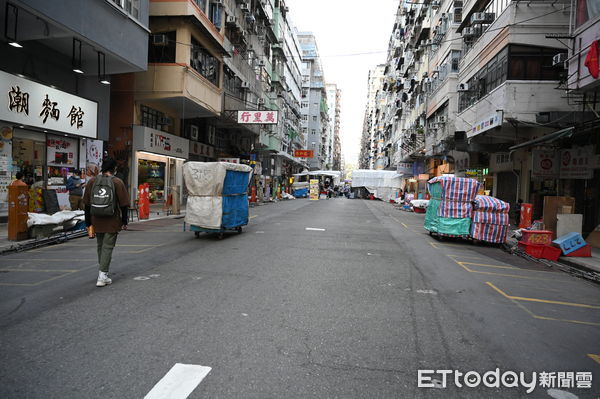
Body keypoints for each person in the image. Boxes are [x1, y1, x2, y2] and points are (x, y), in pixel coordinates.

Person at [83, 158, 130, 287]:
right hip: (112, 220)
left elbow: (86, 204)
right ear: (114, 168)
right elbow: (124, 204)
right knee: (108, 247)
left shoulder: (92, 181)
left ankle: (102, 272)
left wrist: (88, 223)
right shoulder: (117, 182)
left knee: (100, 246)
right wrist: (124, 221)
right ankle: (102, 275)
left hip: (96, 219)